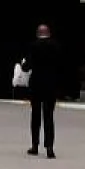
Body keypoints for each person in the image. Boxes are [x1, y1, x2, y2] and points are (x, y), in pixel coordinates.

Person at [19, 24, 63, 158]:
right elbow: (61, 65)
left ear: (38, 34)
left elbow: (26, 67)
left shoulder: (33, 46)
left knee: (36, 116)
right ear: (49, 34)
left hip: (36, 85)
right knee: (49, 116)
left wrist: (22, 64)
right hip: (51, 85)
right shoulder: (56, 46)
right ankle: (50, 148)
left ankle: (34, 146)